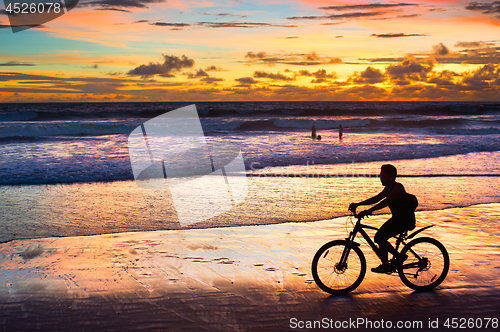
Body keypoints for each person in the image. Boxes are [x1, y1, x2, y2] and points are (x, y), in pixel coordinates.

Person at [348, 164, 417, 273]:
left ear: (391, 177)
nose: (381, 178)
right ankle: (389, 263)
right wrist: (358, 204)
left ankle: (395, 259)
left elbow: (386, 201)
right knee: (380, 237)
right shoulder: (388, 188)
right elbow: (376, 199)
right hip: (397, 219)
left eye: (383, 176)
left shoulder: (398, 187)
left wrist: (369, 211)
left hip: (404, 221)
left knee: (379, 237)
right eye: (381, 175)